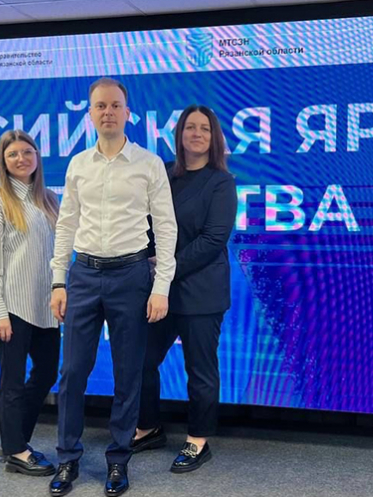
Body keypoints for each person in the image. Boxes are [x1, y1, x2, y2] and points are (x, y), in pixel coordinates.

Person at [48, 77, 178, 497]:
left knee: (128, 373)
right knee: (72, 372)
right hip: (84, 275)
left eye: (115, 105)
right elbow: (66, 223)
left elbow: (166, 227)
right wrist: (58, 280)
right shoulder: (78, 165)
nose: (108, 112)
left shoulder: (148, 164)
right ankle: (67, 458)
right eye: (100, 106)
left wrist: (161, 286)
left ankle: (119, 459)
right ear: (90, 114)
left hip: (131, 276)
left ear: (127, 112)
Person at [131, 105, 236, 473]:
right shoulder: (163, 174)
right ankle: (148, 427)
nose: (197, 134)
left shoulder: (221, 182)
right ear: (179, 134)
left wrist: (167, 268)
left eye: (204, 128)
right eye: (190, 127)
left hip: (201, 291)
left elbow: (213, 240)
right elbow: (146, 223)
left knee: (199, 369)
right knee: (141, 361)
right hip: (160, 290)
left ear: (213, 137)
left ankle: (198, 440)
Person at [0, 130, 61, 477]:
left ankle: (13, 438)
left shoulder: (49, 200)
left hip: (45, 308)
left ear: (37, 156)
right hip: (12, 309)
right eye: (13, 154)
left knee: (47, 373)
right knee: (13, 381)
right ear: (3, 163)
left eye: (27, 152)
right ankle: (17, 452)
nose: (21, 159)